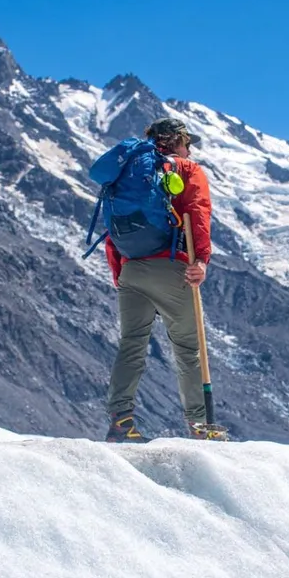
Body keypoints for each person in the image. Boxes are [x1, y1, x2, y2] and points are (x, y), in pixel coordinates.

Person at [102, 117, 221, 442]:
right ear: (178, 141)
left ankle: (121, 423)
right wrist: (201, 261)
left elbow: (113, 230)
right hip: (171, 268)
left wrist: (122, 276)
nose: (190, 149)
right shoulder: (185, 170)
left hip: (131, 269)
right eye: (188, 143)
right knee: (187, 349)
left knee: (131, 345)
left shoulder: (128, 172)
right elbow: (197, 211)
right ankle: (201, 428)